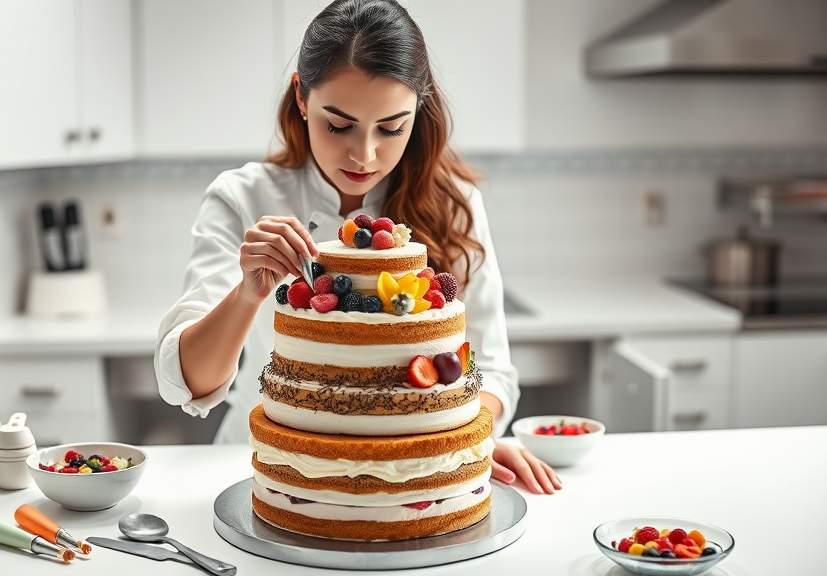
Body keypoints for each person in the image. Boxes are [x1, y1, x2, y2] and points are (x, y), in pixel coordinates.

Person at [155, 0, 561, 495]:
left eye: (392, 128)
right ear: (302, 97)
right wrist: (248, 294)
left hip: (411, 475)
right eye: (339, 124)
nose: (364, 155)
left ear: (419, 110)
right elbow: (188, 381)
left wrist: (463, 436)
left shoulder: (456, 205)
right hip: (263, 469)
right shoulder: (242, 198)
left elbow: (490, 368)